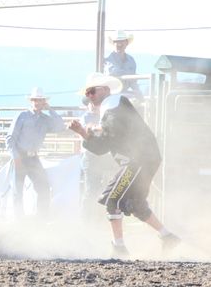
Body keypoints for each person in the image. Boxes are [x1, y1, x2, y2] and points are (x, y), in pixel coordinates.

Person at [68, 73, 179, 258]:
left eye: (92, 91)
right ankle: (167, 236)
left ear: (104, 89)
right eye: (88, 93)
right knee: (135, 204)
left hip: (138, 161)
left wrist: (87, 132)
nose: (89, 96)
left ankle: (119, 247)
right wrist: (88, 133)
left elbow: (105, 142)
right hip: (141, 160)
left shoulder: (112, 105)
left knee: (113, 199)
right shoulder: (115, 106)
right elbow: (108, 140)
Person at [5, 87, 65, 219]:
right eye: (36, 100)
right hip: (20, 156)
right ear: (31, 101)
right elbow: (10, 138)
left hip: (33, 157)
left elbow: (61, 126)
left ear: (44, 102)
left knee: (43, 187)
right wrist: (15, 157)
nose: (38, 103)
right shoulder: (22, 116)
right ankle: (19, 220)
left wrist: (50, 109)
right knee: (17, 191)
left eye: (41, 100)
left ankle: (41, 219)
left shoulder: (45, 119)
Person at [78, 97, 116, 224]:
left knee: (105, 189)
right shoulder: (85, 118)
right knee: (91, 190)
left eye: (96, 103)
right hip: (91, 157)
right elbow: (88, 131)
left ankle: (99, 219)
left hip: (104, 157)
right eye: (91, 103)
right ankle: (86, 220)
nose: (93, 105)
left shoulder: (105, 116)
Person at [104, 30, 143, 99]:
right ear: (113, 43)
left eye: (122, 41)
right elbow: (112, 74)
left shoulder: (131, 60)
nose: (119, 44)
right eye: (117, 41)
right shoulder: (107, 60)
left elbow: (133, 82)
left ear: (126, 43)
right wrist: (133, 76)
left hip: (125, 94)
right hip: (111, 93)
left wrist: (138, 93)